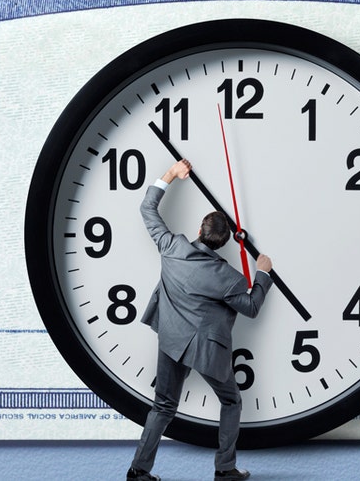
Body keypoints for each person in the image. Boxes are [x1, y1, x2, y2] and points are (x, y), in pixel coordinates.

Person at [127, 159, 274, 481]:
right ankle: (225, 470)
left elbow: (147, 208)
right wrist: (263, 273)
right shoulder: (228, 277)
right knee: (231, 401)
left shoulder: (171, 247)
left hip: (171, 339)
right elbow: (250, 307)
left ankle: (138, 471)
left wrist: (171, 174)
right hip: (206, 349)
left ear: (199, 230)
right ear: (223, 243)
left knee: (163, 406)